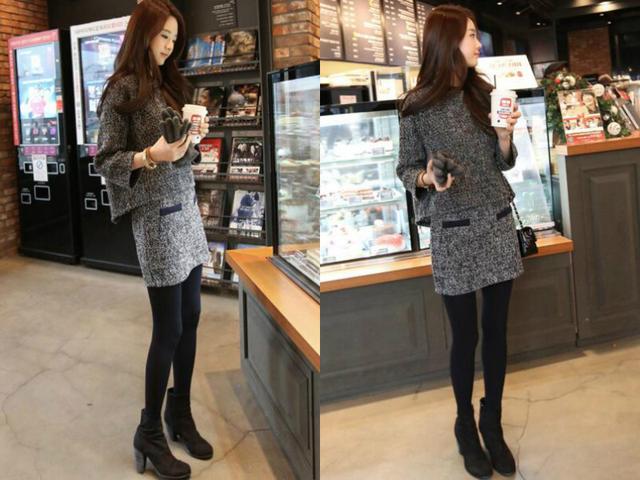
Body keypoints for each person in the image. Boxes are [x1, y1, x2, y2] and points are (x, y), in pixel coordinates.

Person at [396, 5, 522, 479]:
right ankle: (465, 425)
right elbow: (405, 168)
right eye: (470, 35)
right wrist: (428, 178)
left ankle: (493, 422)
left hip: (496, 223)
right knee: (465, 336)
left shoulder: (485, 93)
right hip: (452, 232)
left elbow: (504, 162)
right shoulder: (414, 106)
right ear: (446, 41)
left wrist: (505, 137)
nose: (478, 43)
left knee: (497, 331)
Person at [95, 1, 212, 478]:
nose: (168, 45)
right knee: (168, 329)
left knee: (192, 317)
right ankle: (148, 431)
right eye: (163, 35)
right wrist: (150, 155)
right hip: (156, 219)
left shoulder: (169, 85)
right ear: (142, 33)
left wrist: (192, 141)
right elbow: (105, 160)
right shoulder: (120, 89)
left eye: (173, 38)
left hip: (186, 211)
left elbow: (182, 156)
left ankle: (179, 413)